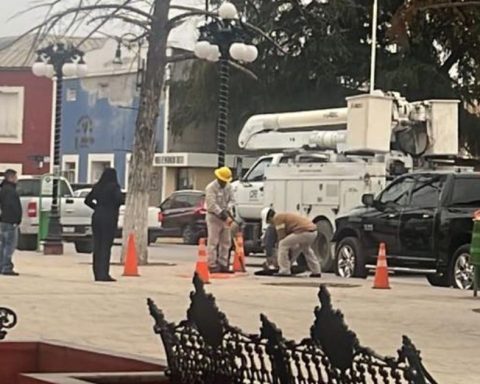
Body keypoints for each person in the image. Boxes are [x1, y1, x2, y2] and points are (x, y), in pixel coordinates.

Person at [84, 168, 123, 282]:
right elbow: (119, 200)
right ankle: (104, 274)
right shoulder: (114, 187)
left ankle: (96, 273)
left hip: (97, 216)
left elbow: (87, 200)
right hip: (109, 217)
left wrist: (97, 207)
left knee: (97, 245)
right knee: (106, 246)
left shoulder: (97, 186)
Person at [265, 208, 321, 277]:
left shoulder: (277, 217)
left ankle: (284, 270)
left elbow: (282, 237)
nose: (272, 224)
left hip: (304, 231)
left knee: (282, 244)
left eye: (270, 222)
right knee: (306, 250)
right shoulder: (283, 216)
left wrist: (277, 256)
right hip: (313, 232)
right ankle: (316, 271)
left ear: (270, 218)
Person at [205, 167, 235, 273]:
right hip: (213, 217)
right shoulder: (211, 188)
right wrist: (223, 214)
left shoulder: (229, 187)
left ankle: (223, 264)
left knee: (226, 242)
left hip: (225, 217)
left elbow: (232, 200)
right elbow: (212, 204)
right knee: (213, 241)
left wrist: (228, 210)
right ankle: (212, 264)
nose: (224, 183)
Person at [0, 169, 22, 276]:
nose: (16, 180)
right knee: (9, 244)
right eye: (15, 177)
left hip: (3, 221)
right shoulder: (11, 191)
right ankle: (6, 266)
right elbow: (12, 207)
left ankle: (2, 265)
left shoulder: (2, 189)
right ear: (11, 178)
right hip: (10, 221)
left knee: (3, 244)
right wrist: (16, 220)